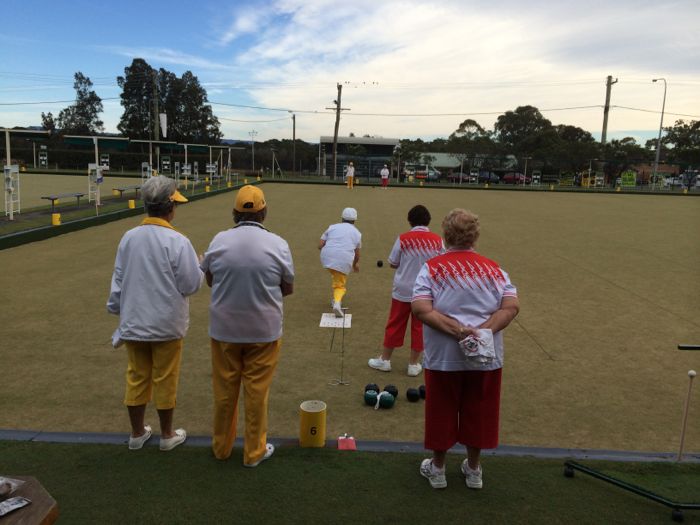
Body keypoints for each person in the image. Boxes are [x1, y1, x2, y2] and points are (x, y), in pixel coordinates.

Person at [411, 209, 519, 490]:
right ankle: (473, 470)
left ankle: (437, 470)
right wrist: (483, 332)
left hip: (443, 359)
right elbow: (511, 307)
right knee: (480, 410)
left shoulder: (431, 268)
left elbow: (421, 309)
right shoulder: (496, 270)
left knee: (441, 410)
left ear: (446, 235)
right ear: (476, 236)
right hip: (486, 358)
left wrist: (459, 332)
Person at [200, 185, 294, 467]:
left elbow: (209, 279)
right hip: (263, 331)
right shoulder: (278, 243)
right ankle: (254, 453)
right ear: (264, 212)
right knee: (256, 393)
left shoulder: (219, 240)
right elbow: (287, 288)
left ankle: (221, 448)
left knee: (224, 392)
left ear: (235, 213)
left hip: (224, 331)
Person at [107, 176, 203, 452]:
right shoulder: (178, 241)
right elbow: (191, 284)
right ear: (170, 207)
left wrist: (117, 308)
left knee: (137, 375)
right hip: (166, 323)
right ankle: (166, 434)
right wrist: (198, 265)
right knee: (165, 378)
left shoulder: (129, 237)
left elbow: (119, 278)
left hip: (135, 320)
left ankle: (137, 434)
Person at [368, 205, 443, 376]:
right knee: (420, 327)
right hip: (425, 291)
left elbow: (393, 262)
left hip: (403, 288)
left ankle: (385, 360)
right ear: (428, 220)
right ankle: (413, 364)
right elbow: (440, 265)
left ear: (410, 220)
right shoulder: (437, 240)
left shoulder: (403, 238)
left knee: (395, 323)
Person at [319, 207, 361, 317]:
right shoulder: (357, 233)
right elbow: (357, 253)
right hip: (343, 260)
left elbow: (320, 244)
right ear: (355, 220)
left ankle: (334, 299)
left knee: (335, 274)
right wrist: (355, 264)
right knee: (340, 285)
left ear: (342, 218)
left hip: (326, 257)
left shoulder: (332, 227)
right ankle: (337, 303)